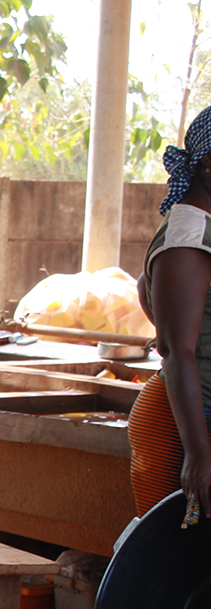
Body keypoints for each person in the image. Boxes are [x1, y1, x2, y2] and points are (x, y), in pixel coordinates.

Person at [130, 105, 211, 521]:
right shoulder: (188, 237)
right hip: (189, 425)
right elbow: (175, 349)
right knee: (179, 570)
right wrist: (199, 455)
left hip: (193, 415)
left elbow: (145, 290)